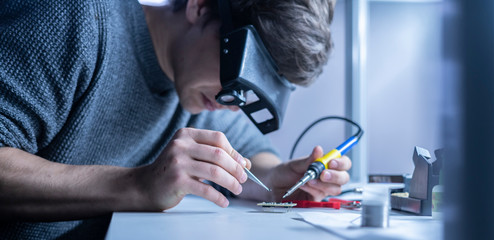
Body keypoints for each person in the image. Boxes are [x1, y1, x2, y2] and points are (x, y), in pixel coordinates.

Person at [0, 0, 351, 239]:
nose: (235, 105)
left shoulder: (200, 87)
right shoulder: (76, 21)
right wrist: (136, 186)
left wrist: (274, 178)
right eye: (238, 76)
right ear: (199, 6)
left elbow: (251, 150)